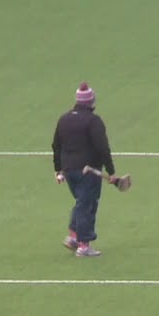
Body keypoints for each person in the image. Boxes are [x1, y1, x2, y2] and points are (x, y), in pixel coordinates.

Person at [52, 81, 117, 257]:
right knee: (87, 205)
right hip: (88, 171)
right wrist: (111, 171)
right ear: (91, 102)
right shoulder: (93, 121)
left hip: (69, 169)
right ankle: (84, 245)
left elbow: (56, 145)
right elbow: (103, 147)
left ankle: (74, 236)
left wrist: (58, 169)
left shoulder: (64, 119)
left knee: (82, 201)